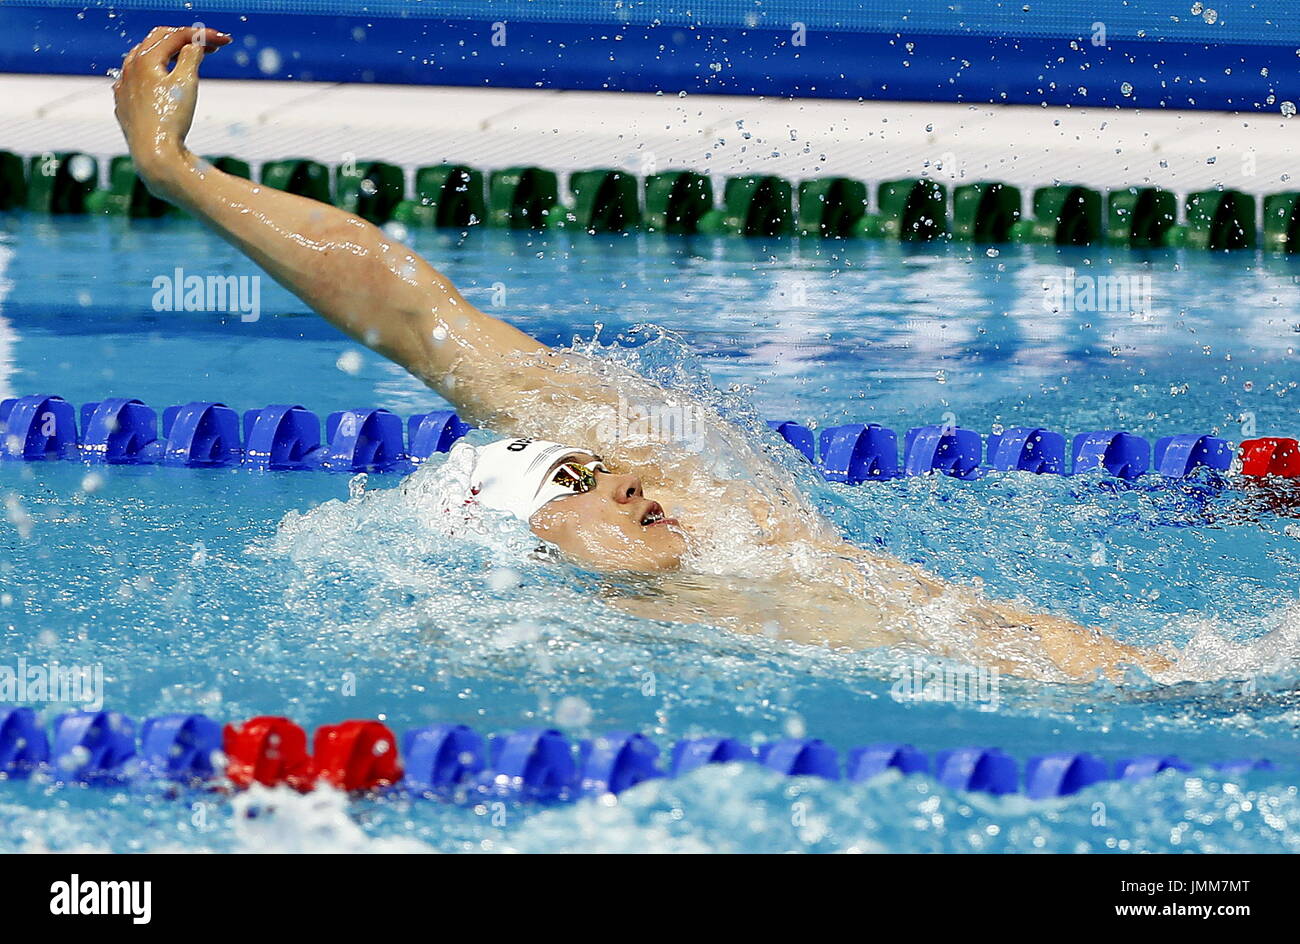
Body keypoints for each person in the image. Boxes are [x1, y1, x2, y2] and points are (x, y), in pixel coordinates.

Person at [112, 26, 1172, 682]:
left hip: (1147, 669)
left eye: (588, 461)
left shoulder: (708, 509)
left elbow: (408, 311)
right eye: (572, 481)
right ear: (521, 548)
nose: (618, 475)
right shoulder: (566, 630)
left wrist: (177, 171)